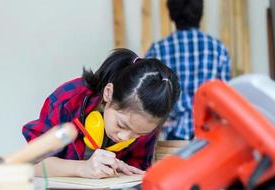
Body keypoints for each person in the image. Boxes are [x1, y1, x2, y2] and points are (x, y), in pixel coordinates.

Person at [22, 48, 180, 178]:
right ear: (108, 93)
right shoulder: (67, 101)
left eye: (138, 134)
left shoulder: (147, 122)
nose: (124, 137)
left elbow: (137, 170)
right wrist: (82, 168)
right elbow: (32, 165)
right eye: (121, 125)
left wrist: (121, 170)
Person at [145, 0, 231, 140]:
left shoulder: (158, 50)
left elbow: (148, 95)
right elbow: (224, 98)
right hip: (209, 133)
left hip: (173, 134)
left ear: (172, 15)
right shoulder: (219, 49)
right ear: (200, 14)